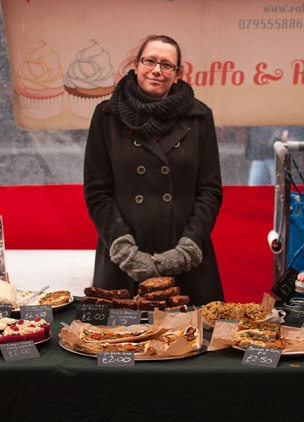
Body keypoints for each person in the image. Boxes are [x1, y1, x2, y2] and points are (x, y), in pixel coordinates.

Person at [83, 34, 224, 305]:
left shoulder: (199, 116)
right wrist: (125, 251)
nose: (157, 70)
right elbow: (97, 191)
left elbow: (210, 190)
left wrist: (187, 249)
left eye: (167, 64)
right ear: (135, 65)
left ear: (178, 74)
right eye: (150, 61)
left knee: (194, 342)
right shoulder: (107, 115)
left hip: (186, 260)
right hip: (123, 260)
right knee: (118, 342)